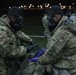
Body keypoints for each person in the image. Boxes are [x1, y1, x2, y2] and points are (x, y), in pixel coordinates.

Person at [29, 5, 76, 75]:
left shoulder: (62, 33)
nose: (50, 21)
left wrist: (39, 59)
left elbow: (50, 57)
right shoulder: (69, 25)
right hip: (72, 64)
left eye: (50, 18)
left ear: (56, 16)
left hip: (65, 69)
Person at [0, 6, 34, 75]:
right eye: (19, 20)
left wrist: (29, 40)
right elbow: (8, 52)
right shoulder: (2, 31)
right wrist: (25, 49)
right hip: (2, 69)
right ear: (12, 18)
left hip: (9, 65)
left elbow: (18, 33)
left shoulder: (9, 26)